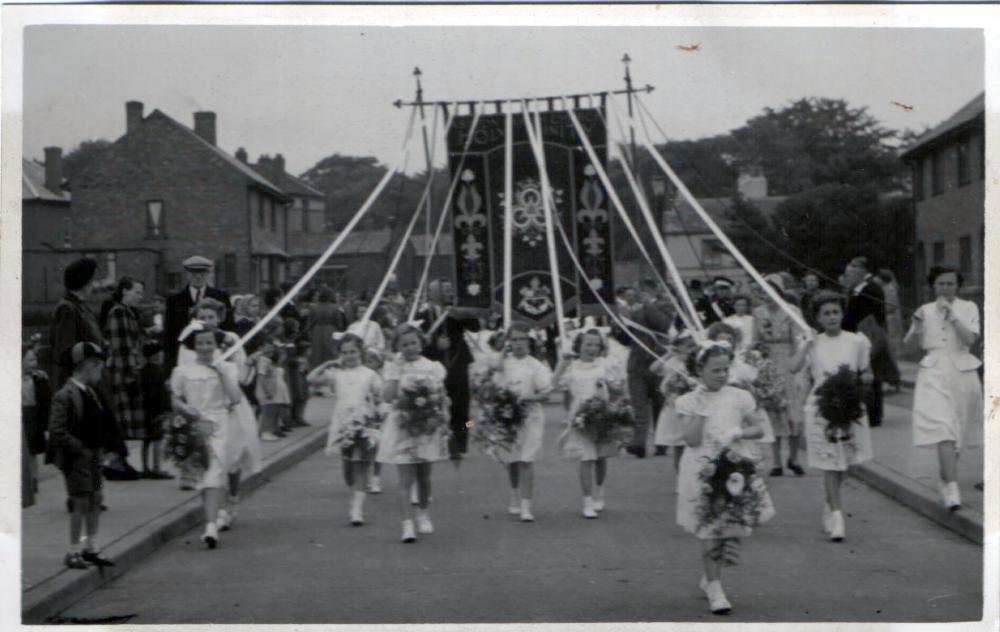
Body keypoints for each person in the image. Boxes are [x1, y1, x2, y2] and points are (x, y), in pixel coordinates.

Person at [675, 341, 773, 615]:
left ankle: (710, 576)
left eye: (725, 369)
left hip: (733, 467)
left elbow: (759, 429)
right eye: (715, 370)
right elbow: (691, 439)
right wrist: (701, 411)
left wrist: (738, 433)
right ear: (700, 370)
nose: (722, 375)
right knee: (709, 527)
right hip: (701, 467)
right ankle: (716, 587)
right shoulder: (687, 401)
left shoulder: (738, 397)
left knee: (729, 526)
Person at [791, 292, 874, 541]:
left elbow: (865, 371)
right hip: (821, 406)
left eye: (835, 312)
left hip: (848, 405)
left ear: (842, 314)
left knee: (843, 463)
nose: (831, 317)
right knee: (829, 462)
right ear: (817, 317)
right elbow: (793, 367)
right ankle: (837, 516)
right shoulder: (813, 342)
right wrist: (806, 344)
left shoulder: (856, 341)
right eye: (825, 313)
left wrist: (866, 380)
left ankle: (830, 505)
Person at [904, 266, 982, 511]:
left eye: (950, 284)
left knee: (956, 431)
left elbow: (970, 339)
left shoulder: (969, 307)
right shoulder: (924, 311)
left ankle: (945, 480)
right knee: (943, 429)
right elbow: (907, 349)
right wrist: (916, 327)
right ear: (933, 286)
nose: (945, 288)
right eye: (940, 284)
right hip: (933, 374)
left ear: (957, 285)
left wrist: (952, 316)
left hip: (962, 373)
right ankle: (952, 487)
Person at [170, 322, 242, 548]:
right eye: (200, 343)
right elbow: (175, 399)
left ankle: (211, 525)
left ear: (216, 344)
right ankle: (211, 522)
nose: (204, 347)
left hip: (219, 424)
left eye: (209, 342)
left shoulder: (226, 368)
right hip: (195, 424)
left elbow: (236, 398)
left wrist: (221, 374)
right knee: (205, 474)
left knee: (214, 471)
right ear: (194, 345)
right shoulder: (183, 372)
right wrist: (184, 409)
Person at [376, 324, 450, 543]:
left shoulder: (432, 367)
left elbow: (441, 395)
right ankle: (407, 525)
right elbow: (388, 397)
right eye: (404, 344)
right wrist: (396, 374)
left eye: (413, 343)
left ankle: (423, 513)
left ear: (420, 342)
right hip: (402, 425)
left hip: (427, 425)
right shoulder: (393, 367)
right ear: (398, 346)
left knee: (424, 475)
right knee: (405, 478)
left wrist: (443, 416)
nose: (409, 348)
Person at [48, 342, 120, 569]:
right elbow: (57, 431)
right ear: (87, 365)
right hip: (77, 459)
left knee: (96, 498)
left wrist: (105, 447)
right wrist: (79, 448)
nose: (100, 371)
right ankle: (73, 550)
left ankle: (92, 546)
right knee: (80, 501)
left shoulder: (91, 392)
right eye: (98, 366)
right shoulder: (65, 395)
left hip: (94, 457)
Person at [309, 334, 383, 525]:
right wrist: (328, 363)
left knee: (361, 465)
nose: (349, 356)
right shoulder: (337, 374)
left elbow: (379, 396)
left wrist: (376, 416)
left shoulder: (369, 374)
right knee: (348, 469)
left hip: (364, 423)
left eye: (353, 352)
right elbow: (311, 379)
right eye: (344, 352)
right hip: (343, 425)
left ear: (360, 352)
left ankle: (357, 509)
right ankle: (355, 494)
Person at [553, 329, 624, 519]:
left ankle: (599, 491)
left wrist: (609, 387)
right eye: (588, 344)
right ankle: (587, 501)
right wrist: (561, 364)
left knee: (600, 458)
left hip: (602, 416)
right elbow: (555, 385)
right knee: (586, 458)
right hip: (580, 417)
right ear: (579, 346)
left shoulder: (605, 365)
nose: (592, 348)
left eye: (596, 345)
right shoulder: (572, 366)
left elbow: (619, 390)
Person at [494, 322, 554, 522]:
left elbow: (545, 394)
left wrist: (528, 398)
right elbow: (493, 389)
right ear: (509, 342)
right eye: (515, 339)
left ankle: (526, 505)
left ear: (529, 341)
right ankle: (514, 494)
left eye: (522, 339)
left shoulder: (536, 365)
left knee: (527, 461)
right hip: (508, 418)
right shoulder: (504, 364)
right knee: (512, 460)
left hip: (530, 418)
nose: (519, 343)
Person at [417, 279, 480, 460]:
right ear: (433, 293)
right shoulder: (423, 313)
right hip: (435, 365)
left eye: (450, 289)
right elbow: (417, 342)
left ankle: (461, 442)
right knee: (437, 404)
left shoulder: (456, 311)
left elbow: (475, 327)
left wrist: (464, 312)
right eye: (445, 290)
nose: (449, 292)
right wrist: (435, 347)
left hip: (459, 362)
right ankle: (439, 442)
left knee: (463, 406)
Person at [753, 274, 807, 476]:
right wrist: (757, 355)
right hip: (768, 365)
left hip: (789, 362)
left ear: (780, 292)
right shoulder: (758, 313)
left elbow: (800, 339)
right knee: (773, 410)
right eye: (763, 292)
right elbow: (754, 341)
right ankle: (776, 461)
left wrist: (799, 366)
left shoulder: (792, 312)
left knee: (793, 412)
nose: (767, 297)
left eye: (771, 292)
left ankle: (793, 458)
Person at [624, 279, 674, 458]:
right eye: (638, 291)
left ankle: (661, 442)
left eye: (642, 290)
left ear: (653, 290)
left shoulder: (665, 306)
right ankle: (639, 443)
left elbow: (663, 325)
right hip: (637, 363)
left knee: (659, 404)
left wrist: (647, 305)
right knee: (639, 406)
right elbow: (624, 337)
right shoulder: (633, 309)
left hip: (658, 362)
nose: (638, 294)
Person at [842, 256, 891, 427]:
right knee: (861, 371)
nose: (851, 271)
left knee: (872, 372)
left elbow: (866, 313)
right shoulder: (857, 287)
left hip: (869, 335)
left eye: (855, 267)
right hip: (858, 333)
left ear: (863, 270)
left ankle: (874, 414)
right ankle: (865, 410)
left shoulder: (871, 288)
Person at [164, 256, 234, 373]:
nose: (198, 276)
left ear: (208, 274)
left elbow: (228, 327)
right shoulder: (174, 301)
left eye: (202, 272)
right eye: (193, 272)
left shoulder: (221, 296)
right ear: (187, 274)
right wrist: (170, 370)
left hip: (216, 358)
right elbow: (169, 338)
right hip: (187, 359)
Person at [50, 257, 105, 389]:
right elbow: (66, 352)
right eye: (92, 280)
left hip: (88, 378)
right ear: (84, 283)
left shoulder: (80, 307)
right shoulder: (67, 309)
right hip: (77, 382)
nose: (94, 284)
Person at [104, 276, 147, 443]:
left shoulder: (127, 312)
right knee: (124, 418)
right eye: (137, 292)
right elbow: (123, 346)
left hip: (126, 368)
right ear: (124, 291)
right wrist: (132, 374)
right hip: (123, 370)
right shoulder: (119, 312)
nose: (140, 296)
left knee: (127, 419)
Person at [652, 332, 699, 472]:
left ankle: (692, 473)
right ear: (677, 347)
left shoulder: (694, 362)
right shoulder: (671, 362)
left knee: (691, 444)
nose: (690, 349)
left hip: (691, 406)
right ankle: (680, 476)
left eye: (692, 346)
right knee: (679, 445)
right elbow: (653, 368)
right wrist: (668, 354)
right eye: (687, 346)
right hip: (674, 406)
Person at [138, 341, 174, 479]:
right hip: (157, 410)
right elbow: (162, 393)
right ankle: (156, 468)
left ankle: (145, 467)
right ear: (156, 355)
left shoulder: (142, 371)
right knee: (158, 439)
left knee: (146, 440)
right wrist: (166, 409)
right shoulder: (160, 372)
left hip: (145, 410)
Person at [22, 344, 52, 502]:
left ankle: (33, 480)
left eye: (35, 359)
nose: (34, 363)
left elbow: (46, 400)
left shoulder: (39, 377)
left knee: (32, 452)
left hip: (32, 417)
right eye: (30, 360)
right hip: (21, 415)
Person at [255, 338, 292, 441]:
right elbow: (261, 377)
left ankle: (269, 431)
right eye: (268, 347)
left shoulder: (268, 361)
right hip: (267, 392)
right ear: (261, 348)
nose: (270, 350)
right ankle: (265, 433)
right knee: (268, 413)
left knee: (271, 412)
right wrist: (267, 391)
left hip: (272, 391)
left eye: (272, 348)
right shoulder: (263, 361)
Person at [308, 287, 348, 367]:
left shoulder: (314, 307)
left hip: (316, 331)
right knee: (330, 351)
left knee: (317, 352)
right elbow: (339, 324)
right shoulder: (336, 308)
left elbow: (310, 323)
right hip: (330, 331)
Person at [876, 269, 905, 364]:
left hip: (891, 318)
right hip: (888, 317)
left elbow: (891, 306)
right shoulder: (886, 288)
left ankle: (895, 361)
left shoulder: (889, 289)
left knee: (893, 339)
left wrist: (879, 310)